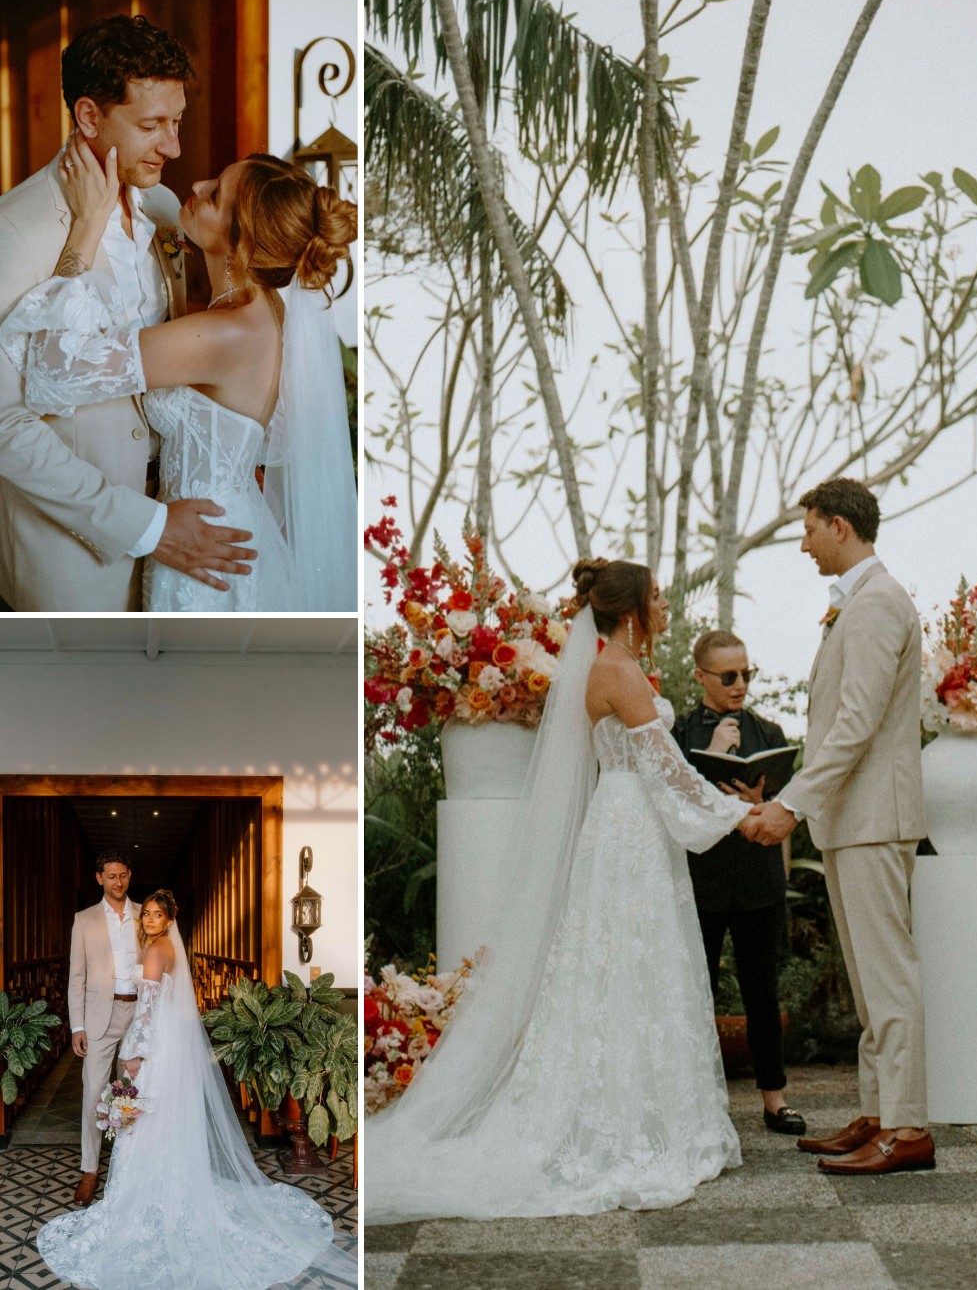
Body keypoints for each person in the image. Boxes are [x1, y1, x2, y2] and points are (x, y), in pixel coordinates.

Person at [366, 558, 758, 1224]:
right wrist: (738, 815)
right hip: (633, 824)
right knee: (630, 963)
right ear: (630, 609)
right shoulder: (617, 673)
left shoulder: (614, 668)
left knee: (629, 969)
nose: (666, 606)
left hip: (631, 823)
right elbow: (667, 773)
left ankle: (636, 1110)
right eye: (657, 597)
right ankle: (621, 1129)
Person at [0, 134, 359, 611]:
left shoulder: (221, 335)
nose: (197, 182)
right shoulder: (263, 309)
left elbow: (53, 372)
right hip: (218, 526)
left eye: (215, 196)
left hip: (202, 549)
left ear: (243, 242)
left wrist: (86, 229)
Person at [0, 13, 258, 611]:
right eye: (152, 126)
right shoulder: (15, 230)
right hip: (73, 565)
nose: (173, 146)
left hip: (188, 538)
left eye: (177, 122)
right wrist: (149, 527)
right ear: (89, 116)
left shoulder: (166, 207)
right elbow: (6, 426)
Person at [742, 477, 934, 1175]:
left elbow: (855, 725)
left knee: (889, 977)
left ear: (841, 527)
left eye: (810, 529)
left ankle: (908, 1127)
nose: (803, 543)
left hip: (874, 816)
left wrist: (792, 803)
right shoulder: (862, 604)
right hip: (855, 818)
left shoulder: (880, 603)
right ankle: (881, 1112)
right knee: (868, 980)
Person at [39, 890, 356, 1289]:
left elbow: (148, 1010)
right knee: (166, 1119)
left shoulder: (156, 951)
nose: (150, 920)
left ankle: (150, 1198)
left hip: (154, 1047)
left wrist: (134, 1054)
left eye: (157, 915)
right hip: (171, 1046)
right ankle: (175, 1189)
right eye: (147, 914)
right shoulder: (167, 946)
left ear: (170, 919)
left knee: (146, 1122)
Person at [672, 630, 806, 1136]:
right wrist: (708, 752)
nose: (740, 684)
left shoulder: (768, 732)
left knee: (761, 994)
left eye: (746, 673)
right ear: (701, 676)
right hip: (700, 881)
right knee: (694, 994)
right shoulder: (681, 732)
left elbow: (786, 803)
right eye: (728, 676)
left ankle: (775, 1100)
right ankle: (696, 1102)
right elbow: (673, 800)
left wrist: (759, 798)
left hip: (757, 879)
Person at [67, 849, 142, 1207]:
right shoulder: (84, 920)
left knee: (135, 1092)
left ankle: (129, 1168)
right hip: (100, 1016)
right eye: (111, 875)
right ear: (100, 878)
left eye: (123, 875)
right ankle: (89, 1170)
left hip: (138, 1014)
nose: (118, 882)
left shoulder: (147, 915)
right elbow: (76, 977)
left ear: (130, 876)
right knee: (94, 1093)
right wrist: (77, 1025)